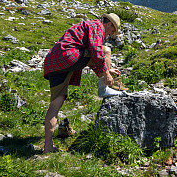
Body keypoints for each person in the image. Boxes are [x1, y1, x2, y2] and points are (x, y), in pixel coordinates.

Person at [42, 13, 122, 153]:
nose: (109, 35)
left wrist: (106, 70)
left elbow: (89, 57)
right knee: (106, 50)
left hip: (53, 62)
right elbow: (96, 51)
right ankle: (104, 88)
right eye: (112, 31)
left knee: (55, 105)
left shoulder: (86, 26)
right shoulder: (97, 26)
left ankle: (48, 146)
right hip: (68, 56)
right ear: (109, 24)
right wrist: (106, 74)